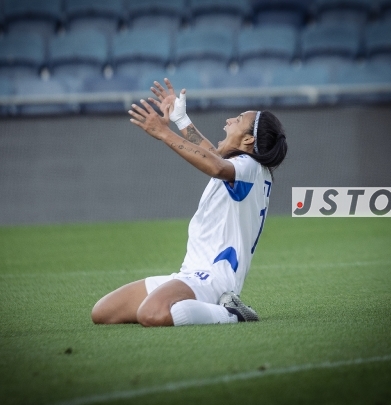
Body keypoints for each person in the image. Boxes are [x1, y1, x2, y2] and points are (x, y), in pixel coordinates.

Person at [91, 78, 287, 327]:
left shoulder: (250, 166)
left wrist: (164, 133)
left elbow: (215, 165)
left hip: (214, 279)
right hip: (190, 273)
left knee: (151, 314)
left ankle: (231, 313)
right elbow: (213, 157)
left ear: (248, 140)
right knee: (103, 312)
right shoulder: (247, 168)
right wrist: (181, 119)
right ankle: (195, 307)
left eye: (238, 120)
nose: (229, 120)